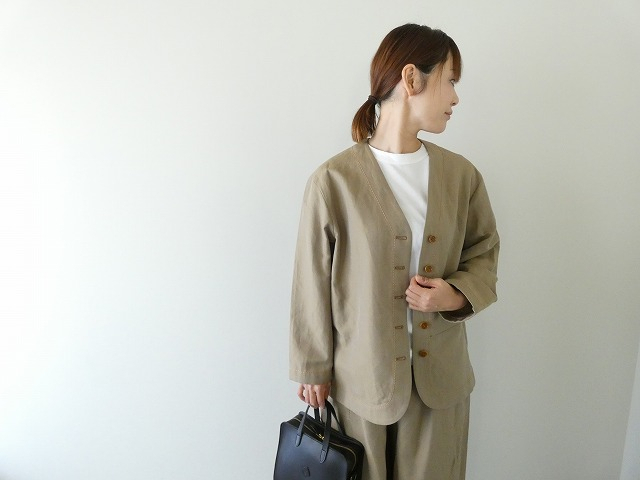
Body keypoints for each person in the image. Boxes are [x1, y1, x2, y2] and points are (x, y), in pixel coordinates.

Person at [289, 23, 499, 480]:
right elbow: (311, 280)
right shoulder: (334, 181)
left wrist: (455, 294)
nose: (456, 98)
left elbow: (484, 251)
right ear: (411, 78)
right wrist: (312, 367)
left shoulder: (461, 177)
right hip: (360, 385)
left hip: (440, 386)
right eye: (450, 80)